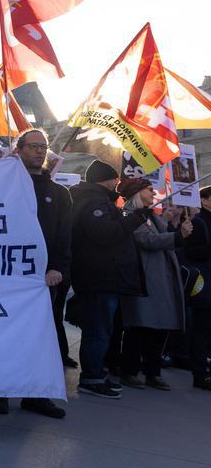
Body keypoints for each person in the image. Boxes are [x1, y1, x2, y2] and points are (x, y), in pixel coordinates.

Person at [0, 129, 70, 419]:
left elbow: (64, 237)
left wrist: (57, 268)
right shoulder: (0, 187)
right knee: (3, 333)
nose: (39, 151)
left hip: (42, 280)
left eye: (43, 147)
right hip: (5, 275)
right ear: (18, 149)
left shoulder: (59, 193)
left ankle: (35, 395)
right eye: (33, 146)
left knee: (39, 338)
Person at [70, 161, 149, 399]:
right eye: (114, 179)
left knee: (101, 329)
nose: (118, 183)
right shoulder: (93, 202)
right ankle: (92, 378)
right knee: (98, 331)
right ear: (104, 179)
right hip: (99, 278)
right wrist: (135, 219)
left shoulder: (100, 201)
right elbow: (105, 234)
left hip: (104, 278)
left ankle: (97, 373)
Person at [117, 177, 191, 390]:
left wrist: (174, 224)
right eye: (149, 190)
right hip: (144, 278)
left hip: (160, 278)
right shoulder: (127, 213)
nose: (153, 194)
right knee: (139, 327)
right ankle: (129, 371)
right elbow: (147, 240)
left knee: (157, 329)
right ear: (136, 193)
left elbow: (160, 234)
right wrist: (178, 236)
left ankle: (152, 371)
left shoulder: (149, 214)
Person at [184, 186, 211, 390]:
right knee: (201, 329)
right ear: (204, 201)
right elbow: (190, 253)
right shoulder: (198, 222)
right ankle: (200, 375)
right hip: (206, 284)